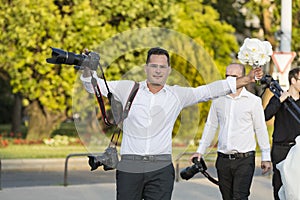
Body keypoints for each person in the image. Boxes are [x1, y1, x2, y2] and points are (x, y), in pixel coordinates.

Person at [80, 47, 263, 200]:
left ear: (168, 70)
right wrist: (87, 68)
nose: (157, 70)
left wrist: (246, 79)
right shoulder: (127, 88)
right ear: (146, 68)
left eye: (162, 67)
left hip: (161, 169)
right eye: (153, 66)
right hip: (130, 166)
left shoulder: (177, 95)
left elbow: (207, 91)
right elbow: (92, 86)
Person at [191, 63, 272, 200]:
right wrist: (200, 151)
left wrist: (266, 156)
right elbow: (211, 125)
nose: (230, 80)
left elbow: (260, 128)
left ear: (244, 78)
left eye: (234, 76)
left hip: (244, 160)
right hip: (223, 160)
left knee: (240, 197)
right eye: (227, 76)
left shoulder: (253, 101)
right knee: (227, 197)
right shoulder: (218, 99)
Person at [264, 67, 300, 200]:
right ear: (293, 80)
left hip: (298, 149)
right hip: (281, 148)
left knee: (296, 186)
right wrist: (280, 101)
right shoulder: (278, 98)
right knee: (279, 184)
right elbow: (266, 116)